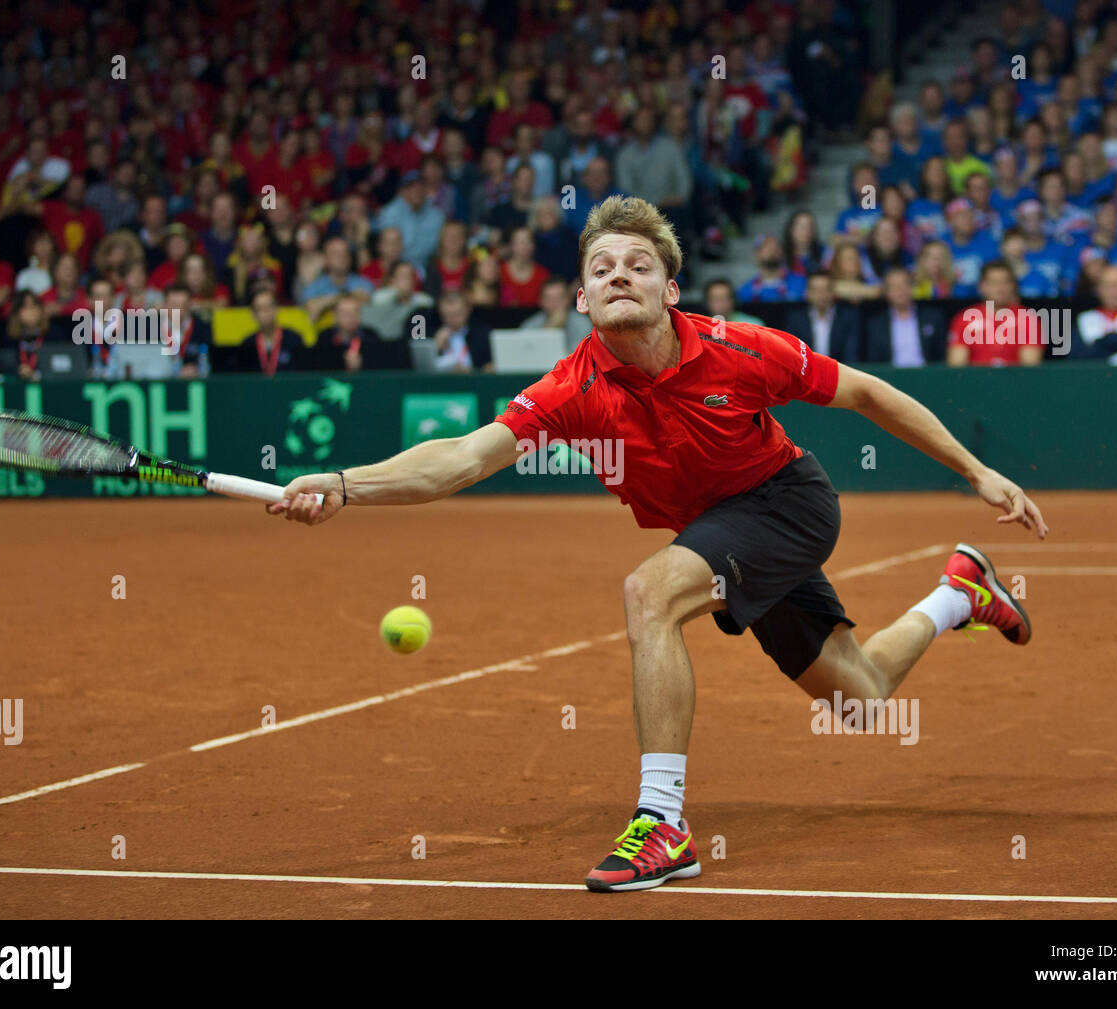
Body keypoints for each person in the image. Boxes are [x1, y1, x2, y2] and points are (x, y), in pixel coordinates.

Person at [269, 194, 1047, 892]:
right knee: (862, 698)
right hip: (716, 530)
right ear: (580, 298)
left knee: (650, 591)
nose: (618, 276)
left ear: (669, 290)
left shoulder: (742, 350)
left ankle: (663, 823)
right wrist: (343, 482)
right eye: (600, 267)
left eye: (638, 265)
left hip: (787, 504)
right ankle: (960, 593)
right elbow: (462, 459)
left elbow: (868, 393)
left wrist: (975, 470)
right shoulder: (572, 389)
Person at [946, 261, 1046, 367]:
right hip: (975, 381)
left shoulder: (1028, 319)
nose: (1000, 288)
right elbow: (956, 367)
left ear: (1013, 286)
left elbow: (1030, 367)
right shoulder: (965, 319)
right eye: (993, 282)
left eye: (1005, 282)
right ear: (981, 286)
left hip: (1015, 381)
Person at [864, 267, 946, 365]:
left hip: (927, 376)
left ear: (912, 287)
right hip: (889, 378)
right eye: (894, 286)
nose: (900, 290)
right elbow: (873, 363)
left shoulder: (933, 317)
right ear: (886, 292)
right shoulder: (875, 325)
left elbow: (942, 358)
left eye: (904, 284)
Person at [784, 272, 864, 362]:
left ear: (833, 292)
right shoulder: (796, 319)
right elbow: (792, 355)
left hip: (839, 371)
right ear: (807, 293)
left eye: (825, 289)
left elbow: (851, 355)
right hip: (807, 373)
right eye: (816, 290)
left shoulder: (848, 318)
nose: (821, 294)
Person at [234, 286, 308, 375]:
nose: (265, 312)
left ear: (276, 308)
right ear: (253, 313)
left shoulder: (294, 339)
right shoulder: (248, 344)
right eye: (260, 308)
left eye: (269, 306)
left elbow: (302, 374)